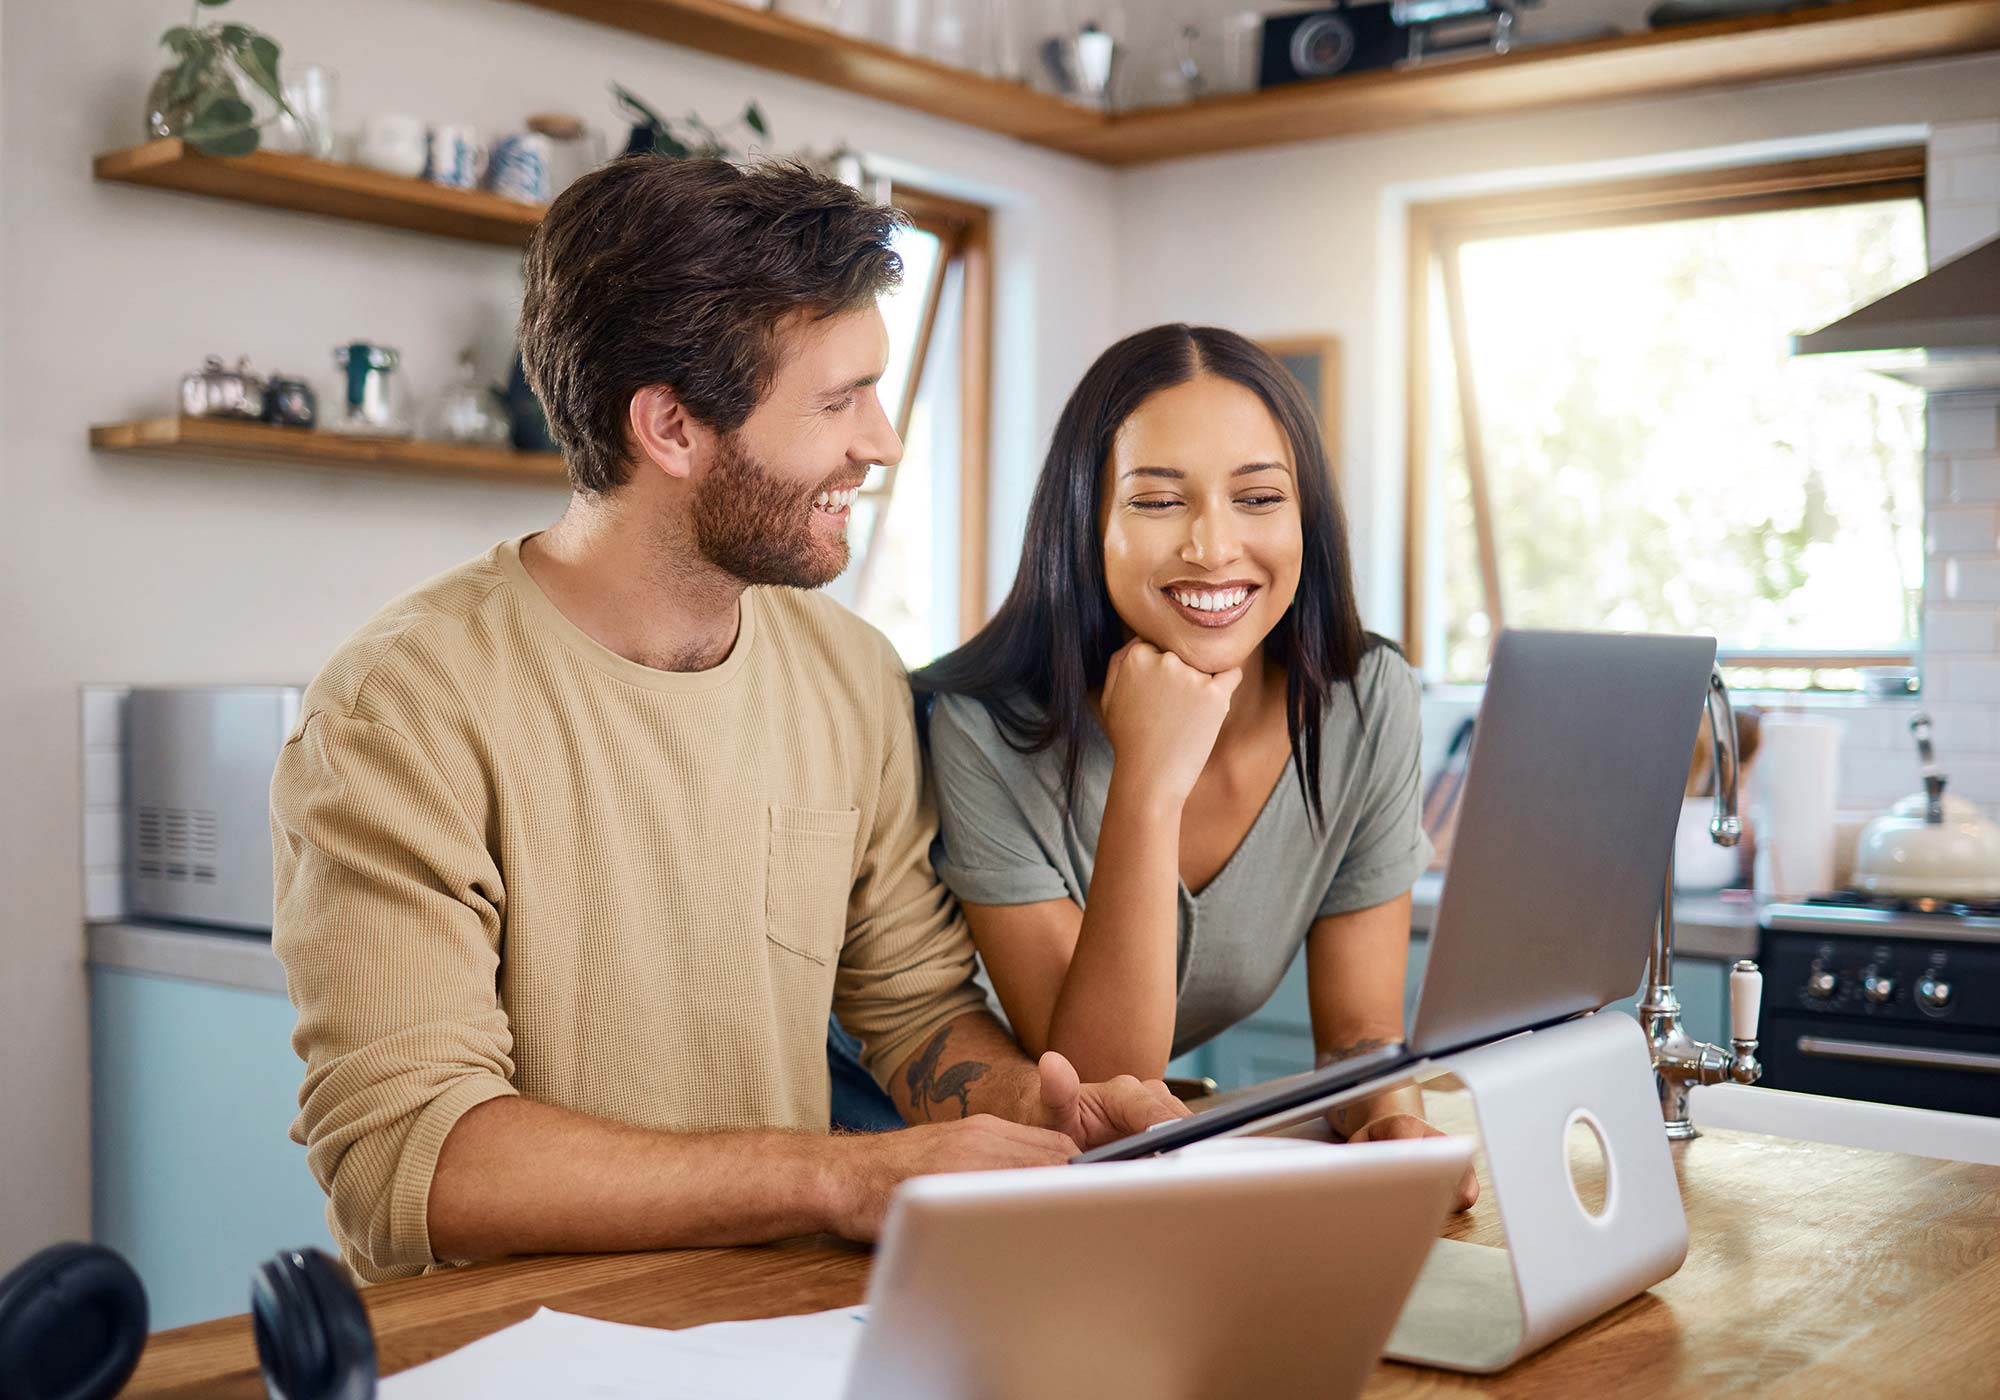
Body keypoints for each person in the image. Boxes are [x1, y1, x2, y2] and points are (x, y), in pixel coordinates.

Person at [269, 157, 1184, 1284]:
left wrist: (1048, 1120)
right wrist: (836, 1176)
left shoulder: (849, 673)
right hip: (505, 1353)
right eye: (838, 399)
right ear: (670, 427)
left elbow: (912, 1013)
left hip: (778, 1325)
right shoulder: (400, 710)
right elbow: (412, 1161)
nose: (882, 439)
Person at [915, 324, 1476, 1210]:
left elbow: (1361, 1031)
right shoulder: (982, 730)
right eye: (1157, 501)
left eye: (1258, 498)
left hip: (1095, 1190)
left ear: (1307, 520)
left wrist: (1387, 1119)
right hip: (926, 1159)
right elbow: (1098, 1088)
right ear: (1086, 522)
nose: (1214, 547)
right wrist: (1148, 781)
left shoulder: (1366, 700)